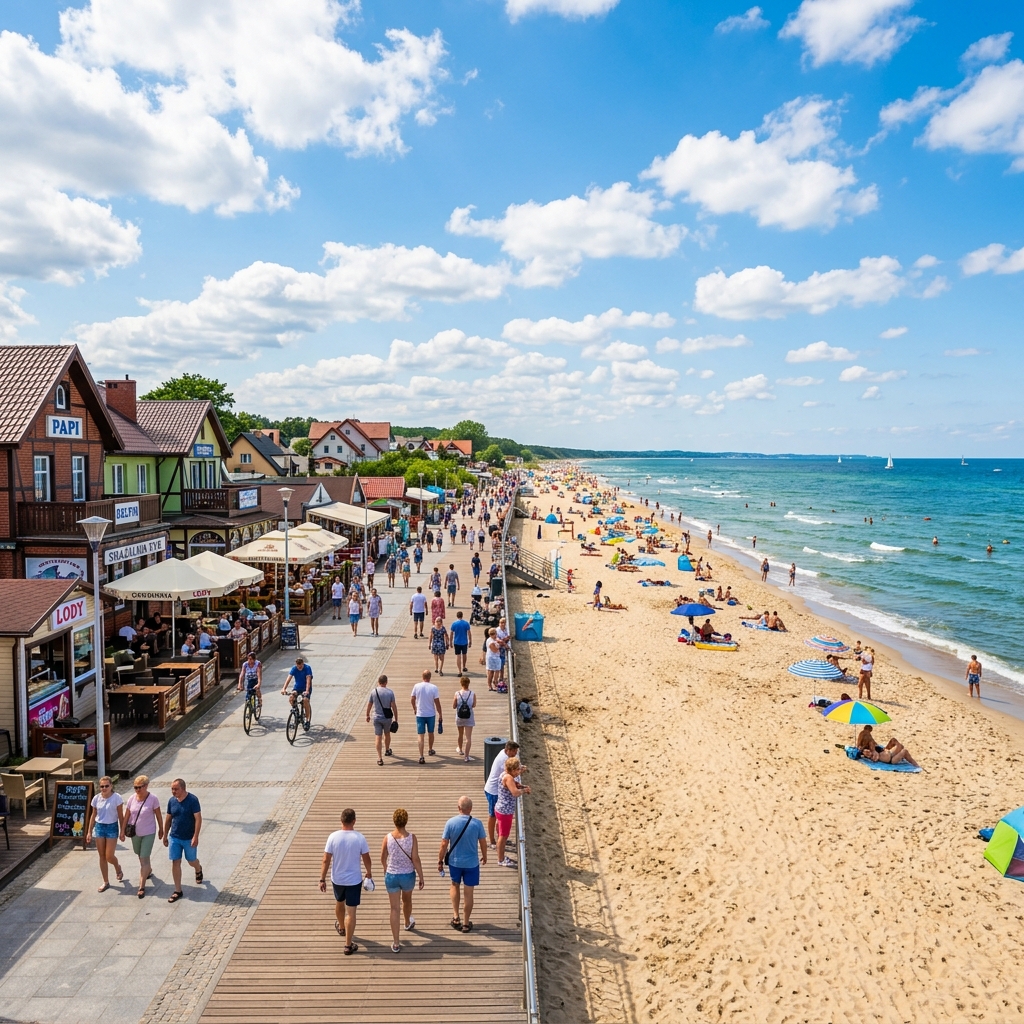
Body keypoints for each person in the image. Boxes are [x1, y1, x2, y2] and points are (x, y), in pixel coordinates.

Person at [320, 808, 372, 954]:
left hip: (337, 878)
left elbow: (325, 860)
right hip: (354, 880)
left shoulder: (333, 837)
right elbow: (366, 859)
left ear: (341, 821)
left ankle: (342, 927)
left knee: (339, 902)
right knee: (351, 912)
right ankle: (348, 945)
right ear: (354, 821)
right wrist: (369, 873)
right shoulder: (359, 838)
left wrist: (322, 879)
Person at [438, 796, 488, 933]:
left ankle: (456, 916)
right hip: (472, 863)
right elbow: (483, 842)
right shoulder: (477, 824)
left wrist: (440, 860)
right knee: (469, 892)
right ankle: (466, 923)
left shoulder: (450, 823)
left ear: (458, 808)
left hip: (455, 862)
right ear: (470, 809)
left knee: (454, 885)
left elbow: (444, 844)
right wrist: (484, 856)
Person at [381, 808, 424, 953]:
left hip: (392, 875)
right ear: (406, 821)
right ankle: (406, 922)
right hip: (407, 875)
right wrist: (421, 876)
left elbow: (383, 857)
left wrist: (386, 868)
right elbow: (415, 859)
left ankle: (396, 943)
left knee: (394, 908)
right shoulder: (412, 838)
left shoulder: (388, 838)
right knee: (407, 901)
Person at [122, 774, 163, 899]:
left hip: (148, 832)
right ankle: (148, 869)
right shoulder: (131, 799)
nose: (137, 790)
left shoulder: (153, 799)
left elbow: (158, 815)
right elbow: (127, 815)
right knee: (139, 854)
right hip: (135, 833)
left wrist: (162, 829)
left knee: (144, 858)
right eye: (135, 787)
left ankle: (141, 886)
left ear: (146, 786)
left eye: (139, 787)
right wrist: (122, 830)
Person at [163, 778, 203, 903]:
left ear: (183, 788)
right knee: (176, 862)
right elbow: (168, 819)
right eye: (172, 789)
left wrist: (195, 836)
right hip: (175, 837)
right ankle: (178, 890)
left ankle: (198, 868)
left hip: (188, 837)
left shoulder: (192, 800)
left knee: (191, 860)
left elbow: (198, 819)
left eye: (176, 789)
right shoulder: (171, 801)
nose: (173, 792)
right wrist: (165, 835)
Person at [86, 775, 124, 892]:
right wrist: (89, 831)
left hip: (112, 826)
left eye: (106, 786)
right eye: (102, 786)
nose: (104, 788)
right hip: (99, 827)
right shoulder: (96, 798)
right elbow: (93, 815)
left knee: (109, 856)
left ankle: (117, 867)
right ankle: (106, 881)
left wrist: (122, 831)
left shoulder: (116, 798)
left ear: (111, 786)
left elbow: (120, 816)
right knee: (102, 856)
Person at [495, 757, 530, 867]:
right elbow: (515, 792)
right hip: (505, 811)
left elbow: (513, 786)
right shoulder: (509, 778)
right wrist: (524, 790)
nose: (519, 772)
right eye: (518, 770)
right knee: (503, 836)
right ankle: (501, 859)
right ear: (513, 770)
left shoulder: (504, 775)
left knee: (501, 832)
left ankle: (499, 849)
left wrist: (521, 786)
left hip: (500, 808)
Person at [484, 740, 519, 847]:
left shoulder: (503, 752)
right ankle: (492, 841)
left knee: (499, 817)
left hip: (497, 790)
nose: (515, 754)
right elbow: (510, 775)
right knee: (493, 816)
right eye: (514, 752)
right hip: (493, 791)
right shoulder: (504, 759)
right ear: (508, 750)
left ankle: (500, 837)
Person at [411, 670, 443, 763]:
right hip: (431, 714)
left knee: (421, 735)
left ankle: (421, 756)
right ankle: (430, 749)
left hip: (420, 714)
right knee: (431, 733)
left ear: (422, 676)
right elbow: (437, 703)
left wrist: (414, 708)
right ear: (430, 677)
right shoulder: (434, 688)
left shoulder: (417, 686)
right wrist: (440, 714)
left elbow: (412, 698)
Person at [367, 673, 398, 765]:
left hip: (376, 717)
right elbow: (394, 706)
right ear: (386, 682)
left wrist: (367, 714)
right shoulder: (390, 692)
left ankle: (379, 758)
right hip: (387, 718)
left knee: (378, 737)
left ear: (378, 682)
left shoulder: (373, 692)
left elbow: (369, 704)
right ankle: (387, 749)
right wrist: (396, 718)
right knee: (387, 734)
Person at [282, 656, 313, 731]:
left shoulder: (307, 668)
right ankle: (296, 712)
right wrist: (284, 688)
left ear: (303, 664)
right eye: (298, 666)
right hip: (297, 687)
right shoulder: (294, 668)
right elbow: (289, 678)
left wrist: (307, 691)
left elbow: (308, 680)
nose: (299, 668)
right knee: (291, 698)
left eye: (300, 666)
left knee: (305, 700)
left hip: (305, 688)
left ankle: (307, 720)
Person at [453, 675, 477, 761]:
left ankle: (460, 749)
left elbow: (454, 706)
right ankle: (466, 756)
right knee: (468, 737)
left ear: (461, 683)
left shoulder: (457, 693)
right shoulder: (472, 694)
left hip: (459, 717)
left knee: (460, 734)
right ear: (468, 684)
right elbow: (474, 705)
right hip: (469, 717)